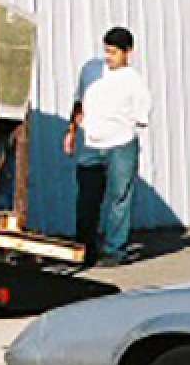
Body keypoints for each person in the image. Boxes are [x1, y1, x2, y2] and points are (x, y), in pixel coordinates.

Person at [64, 26, 152, 267]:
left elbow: (142, 118)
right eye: (106, 51)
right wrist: (71, 131)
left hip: (121, 145)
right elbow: (79, 102)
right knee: (87, 199)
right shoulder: (91, 71)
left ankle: (115, 250)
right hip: (91, 144)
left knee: (119, 198)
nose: (108, 57)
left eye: (113, 52)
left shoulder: (134, 82)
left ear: (128, 52)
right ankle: (85, 248)